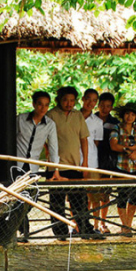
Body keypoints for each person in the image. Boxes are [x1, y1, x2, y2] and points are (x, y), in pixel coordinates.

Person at [47, 86, 103, 240]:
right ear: (59, 100)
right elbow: (45, 141)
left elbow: (84, 139)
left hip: (75, 165)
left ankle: (85, 229)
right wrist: (52, 163)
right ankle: (61, 233)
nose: (69, 103)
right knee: (57, 202)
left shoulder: (78, 115)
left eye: (72, 100)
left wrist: (84, 163)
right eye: (65, 100)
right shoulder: (51, 115)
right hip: (56, 166)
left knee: (79, 200)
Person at [15, 91, 60, 240]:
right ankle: (23, 230)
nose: (43, 108)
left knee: (32, 198)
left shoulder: (50, 124)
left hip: (33, 167)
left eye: (46, 105)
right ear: (34, 104)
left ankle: (21, 226)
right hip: (16, 165)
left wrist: (56, 170)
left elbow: (53, 148)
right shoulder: (20, 119)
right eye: (40, 104)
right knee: (17, 198)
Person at [109, 102, 136, 235]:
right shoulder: (117, 128)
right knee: (122, 197)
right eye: (127, 113)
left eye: (133, 114)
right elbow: (114, 146)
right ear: (123, 114)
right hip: (122, 167)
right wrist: (131, 149)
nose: (129, 117)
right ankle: (125, 225)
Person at [93, 92, 119, 232]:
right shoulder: (91, 119)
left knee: (105, 194)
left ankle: (102, 222)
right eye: (102, 105)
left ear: (111, 107)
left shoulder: (115, 123)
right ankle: (93, 224)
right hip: (92, 159)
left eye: (108, 106)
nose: (104, 108)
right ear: (98, 105)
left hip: (108, 161)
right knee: (92, 193)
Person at [81, 89, 105, 231]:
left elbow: (96, 142)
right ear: (83, 99)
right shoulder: (74, 116)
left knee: (94, 196)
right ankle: (78, 225)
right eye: (88, 99)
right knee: (76, 197)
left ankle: (96, 225)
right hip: (75, 161)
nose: (91, 102)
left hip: (92, 162)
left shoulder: (97, 121)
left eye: (94, 100)